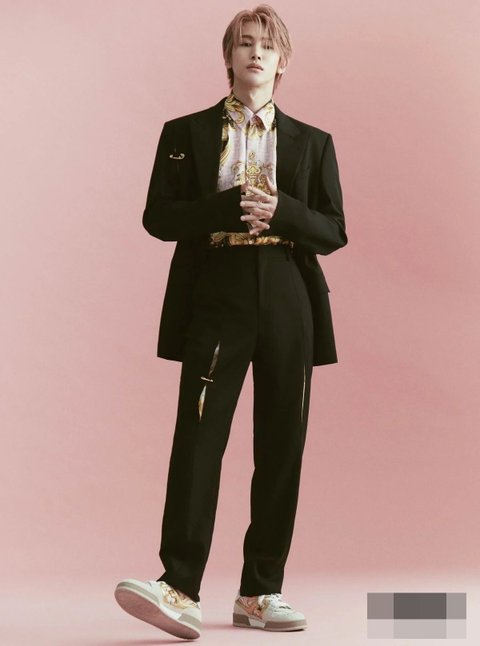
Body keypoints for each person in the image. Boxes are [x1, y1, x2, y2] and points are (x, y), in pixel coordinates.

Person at [114, 4, 347, 640]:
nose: (255, 53)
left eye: (266, 45)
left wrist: (283, 212)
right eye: (244, 43)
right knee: (198, 437)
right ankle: (178, 586)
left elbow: (334, 231)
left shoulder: (314, 142)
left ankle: (260, 591)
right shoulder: (184, 132)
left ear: (283, 60)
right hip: (218, 290)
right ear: (229, 56)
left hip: (288, 294)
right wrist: (222, 208)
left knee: (282, 442)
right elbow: (159, 218)